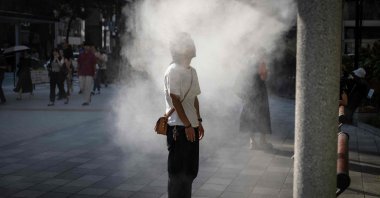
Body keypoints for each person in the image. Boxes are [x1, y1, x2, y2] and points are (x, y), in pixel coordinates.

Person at [164, 32, 204, 198]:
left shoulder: (192, 71)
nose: (192, 46)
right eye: (188, 44)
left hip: (191, 126)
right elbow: (175, 100)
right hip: (178, 127)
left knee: (190, 172)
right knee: (177, 173)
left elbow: (194, 98)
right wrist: (187, 125)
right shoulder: (173, 70)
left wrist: (198, 121)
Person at [239, 55, 273, 150]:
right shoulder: (260, 61)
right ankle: (262, 141)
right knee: (263, 116)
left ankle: (252, 142)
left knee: (250, 116)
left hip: (248, 93)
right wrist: (266, 72)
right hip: (259, 93)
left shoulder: (246, 60)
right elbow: (263, 76)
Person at [77, 41, 96, 106]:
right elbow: (78, 64)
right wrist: (78, 72)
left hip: (89, 73)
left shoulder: (92, 55)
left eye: (88, 46)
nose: (86, 47)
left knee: (87, 87)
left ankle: (86, 101)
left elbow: (94, 65)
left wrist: (94, 73)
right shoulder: (80, 55)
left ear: (89, 47)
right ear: (83, 47)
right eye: (85, 46)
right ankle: (88, 96)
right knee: (82, 87)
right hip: (81, 73)